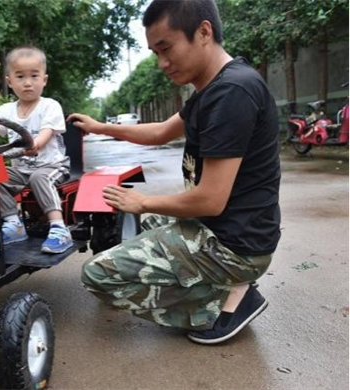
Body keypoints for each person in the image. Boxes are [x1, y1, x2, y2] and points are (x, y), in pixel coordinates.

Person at [68, 0, 281, 344]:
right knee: (149, 226)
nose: (162, 63)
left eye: (166, 49)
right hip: (230, 230)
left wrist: (142, 201)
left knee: (98, 275)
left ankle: (223, 305)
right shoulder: (211, 90)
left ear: (203, 32)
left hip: (232, 245)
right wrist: (100, 127)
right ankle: (227, 281)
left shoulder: (231, 93)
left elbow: (210, 200)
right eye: (155, 52)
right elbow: (159, 133)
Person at [0, 46, 73, 254]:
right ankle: (14, 224)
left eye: (34, 76)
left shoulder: (50, 106)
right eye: (20, 76)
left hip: (52, 165)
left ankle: (59, 228)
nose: (28, 82)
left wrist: (34, 144)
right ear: (9, 81)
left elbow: (44, 134)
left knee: (39, 178)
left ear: (44, 80)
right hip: (21, 169)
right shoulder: (6, 111)